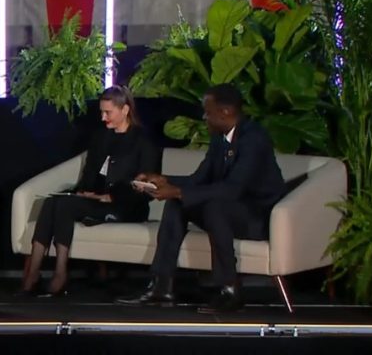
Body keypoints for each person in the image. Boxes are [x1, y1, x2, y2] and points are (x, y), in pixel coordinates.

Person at [117, 84, 286, 314]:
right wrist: (163, 181)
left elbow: (233, 189)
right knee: (177, 204)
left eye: (208, 112)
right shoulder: (220, 139)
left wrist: (178, 191)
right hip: (229, 210)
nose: (204, 117)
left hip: (259, 217)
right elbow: (199, 179)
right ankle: (161, 286)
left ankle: (230, 290)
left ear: (225, 112)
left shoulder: (254, 138)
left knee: (214, 207)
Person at [19, 86, 161, 297]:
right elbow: (90, 174)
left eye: (108, 112)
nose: (103, 118)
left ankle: (60, 272)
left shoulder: (143, 142)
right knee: (52, 202)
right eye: (102, 112)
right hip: (96, 200)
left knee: (65, 206)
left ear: (125, 110)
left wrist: (109, 197)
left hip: (126, 206)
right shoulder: (101, 137)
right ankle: (33, 273)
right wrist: (83, 192)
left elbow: (147, 186)